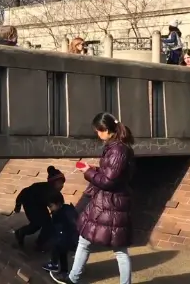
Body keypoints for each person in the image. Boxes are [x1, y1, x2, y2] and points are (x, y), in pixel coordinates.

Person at [50, 113, 134, 284]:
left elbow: (108, 181)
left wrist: (88, 172)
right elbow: (113, 174)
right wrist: (93, 168)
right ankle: (73, 278)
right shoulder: (118, 147)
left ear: (107, 130)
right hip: (110, 203)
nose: (98, 134)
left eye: (98, 131)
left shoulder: (117, 150)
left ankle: (74, 278)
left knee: (117, 250)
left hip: (110, 204)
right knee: (88, 241)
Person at [14, 166, 66, 250]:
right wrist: (18, 205)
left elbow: (58, 207)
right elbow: (24, 192)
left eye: (62, 183)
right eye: (59, 183)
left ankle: (40, 242)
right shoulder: (42, 190)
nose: (61, 186)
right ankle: (21, 233)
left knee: (48, 224)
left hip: (40, 205)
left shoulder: (56, 195)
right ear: (52, 183)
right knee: (37, 225)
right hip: (29, 203)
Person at [42, 192, 78, 274]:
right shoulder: (57, 211)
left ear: (58, 204)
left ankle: (54, 264)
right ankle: (64, 271)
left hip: (68, 238)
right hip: (63, 236)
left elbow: (75, 224)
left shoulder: (68, 212)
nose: (50, 209)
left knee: (56, 247)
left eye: (51, 206)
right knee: (62, 254)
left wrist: (74, 240)